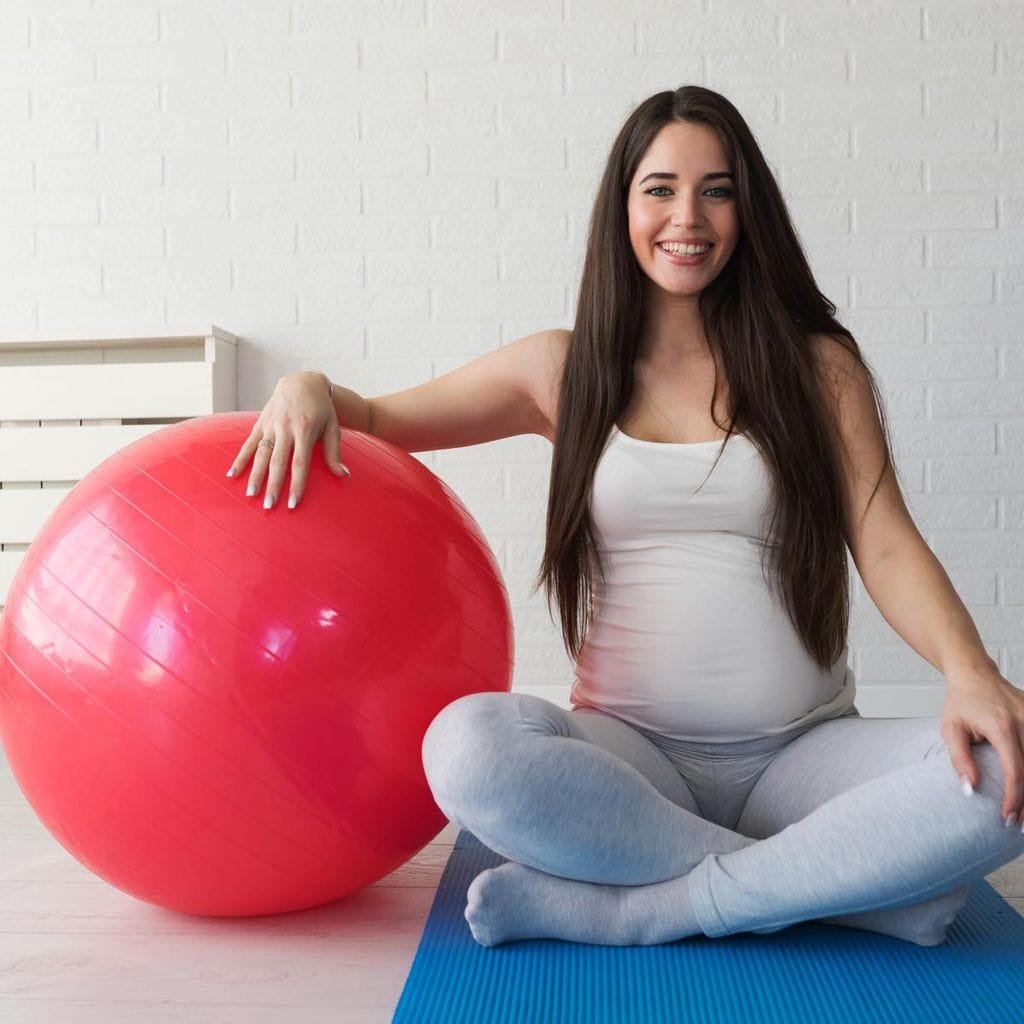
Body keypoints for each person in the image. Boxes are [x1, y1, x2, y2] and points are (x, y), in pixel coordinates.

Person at [229, 85, 1024, 948]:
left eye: (717, 189)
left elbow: (883, 536)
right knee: (463, 748)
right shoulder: (561, 370)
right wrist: (306, 386)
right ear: (623, 206)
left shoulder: (818, 367)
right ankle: (839, 888)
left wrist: (969, 670)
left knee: (1010, 772)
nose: (690, 215)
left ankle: (649, 907)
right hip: (630, 759)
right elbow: (378, 421)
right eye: (662, 188)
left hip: (806, 758)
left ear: (748, 210)